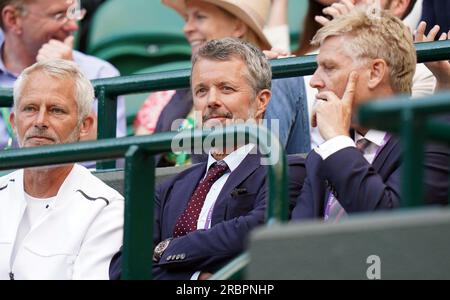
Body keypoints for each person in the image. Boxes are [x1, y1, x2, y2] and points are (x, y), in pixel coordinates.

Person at [110, 38, 306, 280]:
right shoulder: (169, 189)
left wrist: (165, 249)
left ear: (261, 101)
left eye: (226, 88)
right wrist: (197, 279)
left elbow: (255, 232)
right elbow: (123, 268)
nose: (211, 100)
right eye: (201, 91)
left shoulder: (284, 170)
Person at [292, 7, 449, 221]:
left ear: (375, 72)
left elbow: (390, 225)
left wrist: (338, 142)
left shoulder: (430, 141)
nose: (314, 81)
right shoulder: (321, 156)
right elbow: (297, 242)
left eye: (329, 67)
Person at [134, 0, 310, 167]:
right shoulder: (184, 90)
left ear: (238, 26)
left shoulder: (275, 79)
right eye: (187, 19)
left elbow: (254, 171)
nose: (186, 28)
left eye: (200, 17)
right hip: (173, 196)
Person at [0, 59, 124, 280]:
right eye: (30, 108)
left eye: (56, 110)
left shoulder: (105, 210)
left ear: (84, 125)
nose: (40, 121)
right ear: (13, 121)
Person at [0, 0, 126, 151]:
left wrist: (69, 77)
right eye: (59, 15)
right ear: (12, 19)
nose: (73, 26)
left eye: (73, 12)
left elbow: (116, 161)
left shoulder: (100, 72)